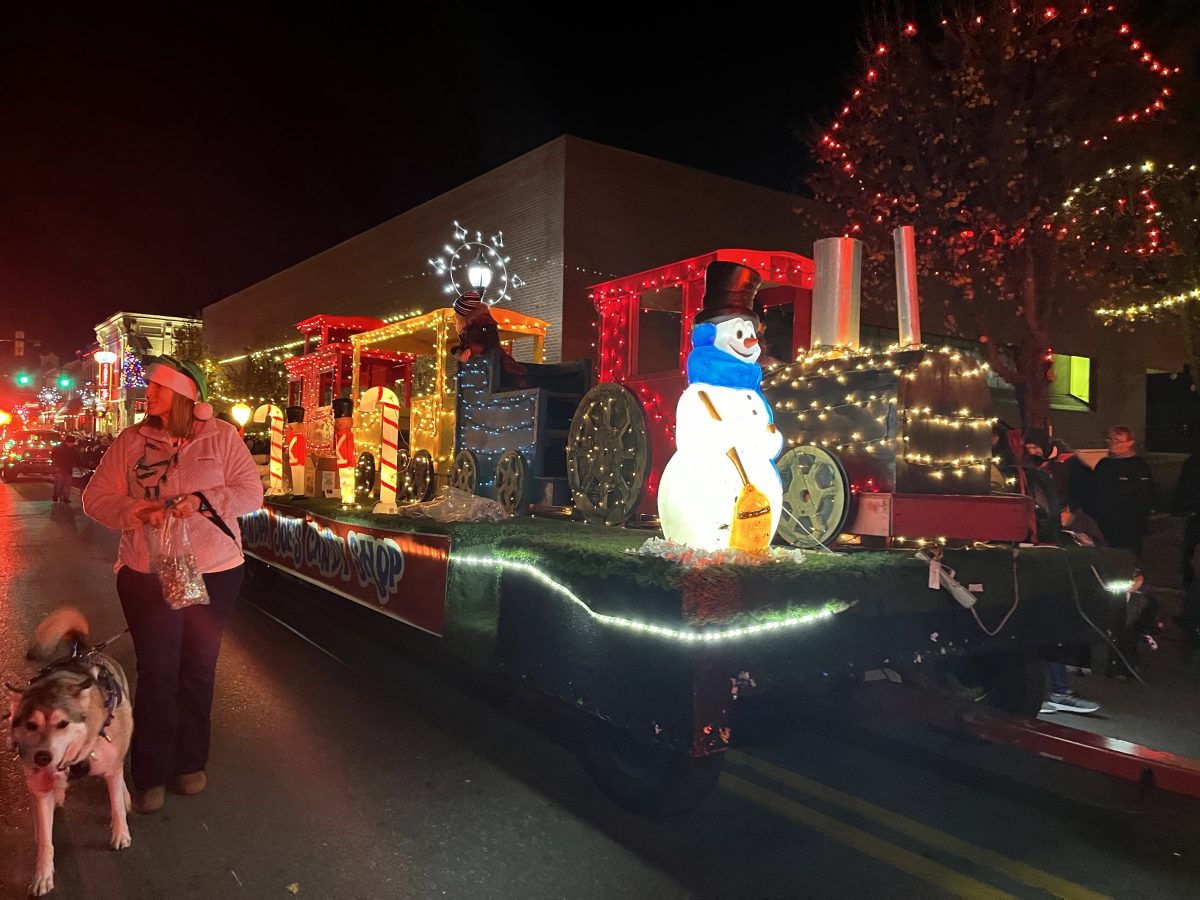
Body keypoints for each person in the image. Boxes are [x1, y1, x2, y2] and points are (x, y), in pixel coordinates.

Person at [83, 355, 264, 814]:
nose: (149, 393)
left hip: (216, 570)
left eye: (158, 387)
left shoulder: (221, 437)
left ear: (184, 394)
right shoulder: (131, 441)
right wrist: (136, 511)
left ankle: (189, 761)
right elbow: (96, 498)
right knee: (158, 672)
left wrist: (203, 499)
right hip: (147, 572)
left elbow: (250, 493)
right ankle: (150, 772)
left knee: (199, 668)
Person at [1090, 425, 1155, 555]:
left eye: (1118, 441)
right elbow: (1094, 490)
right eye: (1110, 439)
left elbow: (1144, 494)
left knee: (1127, 557)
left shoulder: (1138, 465)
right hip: (1106, 524)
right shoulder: (1104, 464)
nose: (1112, 444)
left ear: (1130, 443)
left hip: (1130, 525)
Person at [450, 292, 526, 378]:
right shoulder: (467, 329)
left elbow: (490, 342)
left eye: (457, 312)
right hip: (479, 369)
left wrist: (472, 349)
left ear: (464, 313)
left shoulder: (484, 323)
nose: (455, 315)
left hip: (491, 367)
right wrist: (459, 351)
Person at [51, 434, 80, 504]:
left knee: (66, 484)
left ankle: (65, 497)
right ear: (67, 442)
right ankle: (57, 495)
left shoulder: (72, 449)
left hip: (67, 469)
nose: (72, 444)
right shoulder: (59, 448)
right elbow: (54, 458)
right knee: (59, 483)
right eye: (71, 443)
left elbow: (76, 458)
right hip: (60, 469)